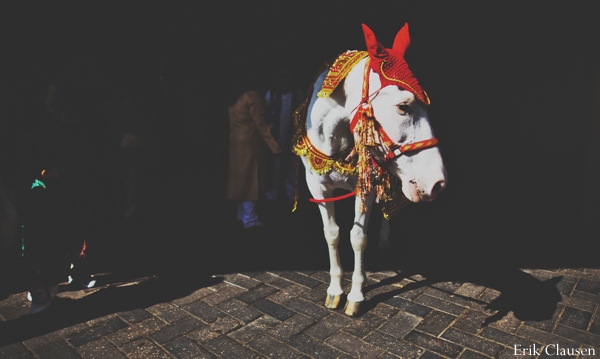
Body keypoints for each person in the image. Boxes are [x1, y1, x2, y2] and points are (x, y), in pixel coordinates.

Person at [225, 72, 282, 229]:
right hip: (250, 144)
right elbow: (261, 124)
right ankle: (250, 219)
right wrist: (275, 146)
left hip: (235, 143)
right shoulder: (251, 96)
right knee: (250, 182)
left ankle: (241, 215)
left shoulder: (233, 96)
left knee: (239, 182)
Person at [263, 64, 304, 211]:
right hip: (274, 138)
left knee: (292, 168)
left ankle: (291, 197)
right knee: (273, 167)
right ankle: (271, 197)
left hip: (290, 138)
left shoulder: (296, 94)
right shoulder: (271, 94)